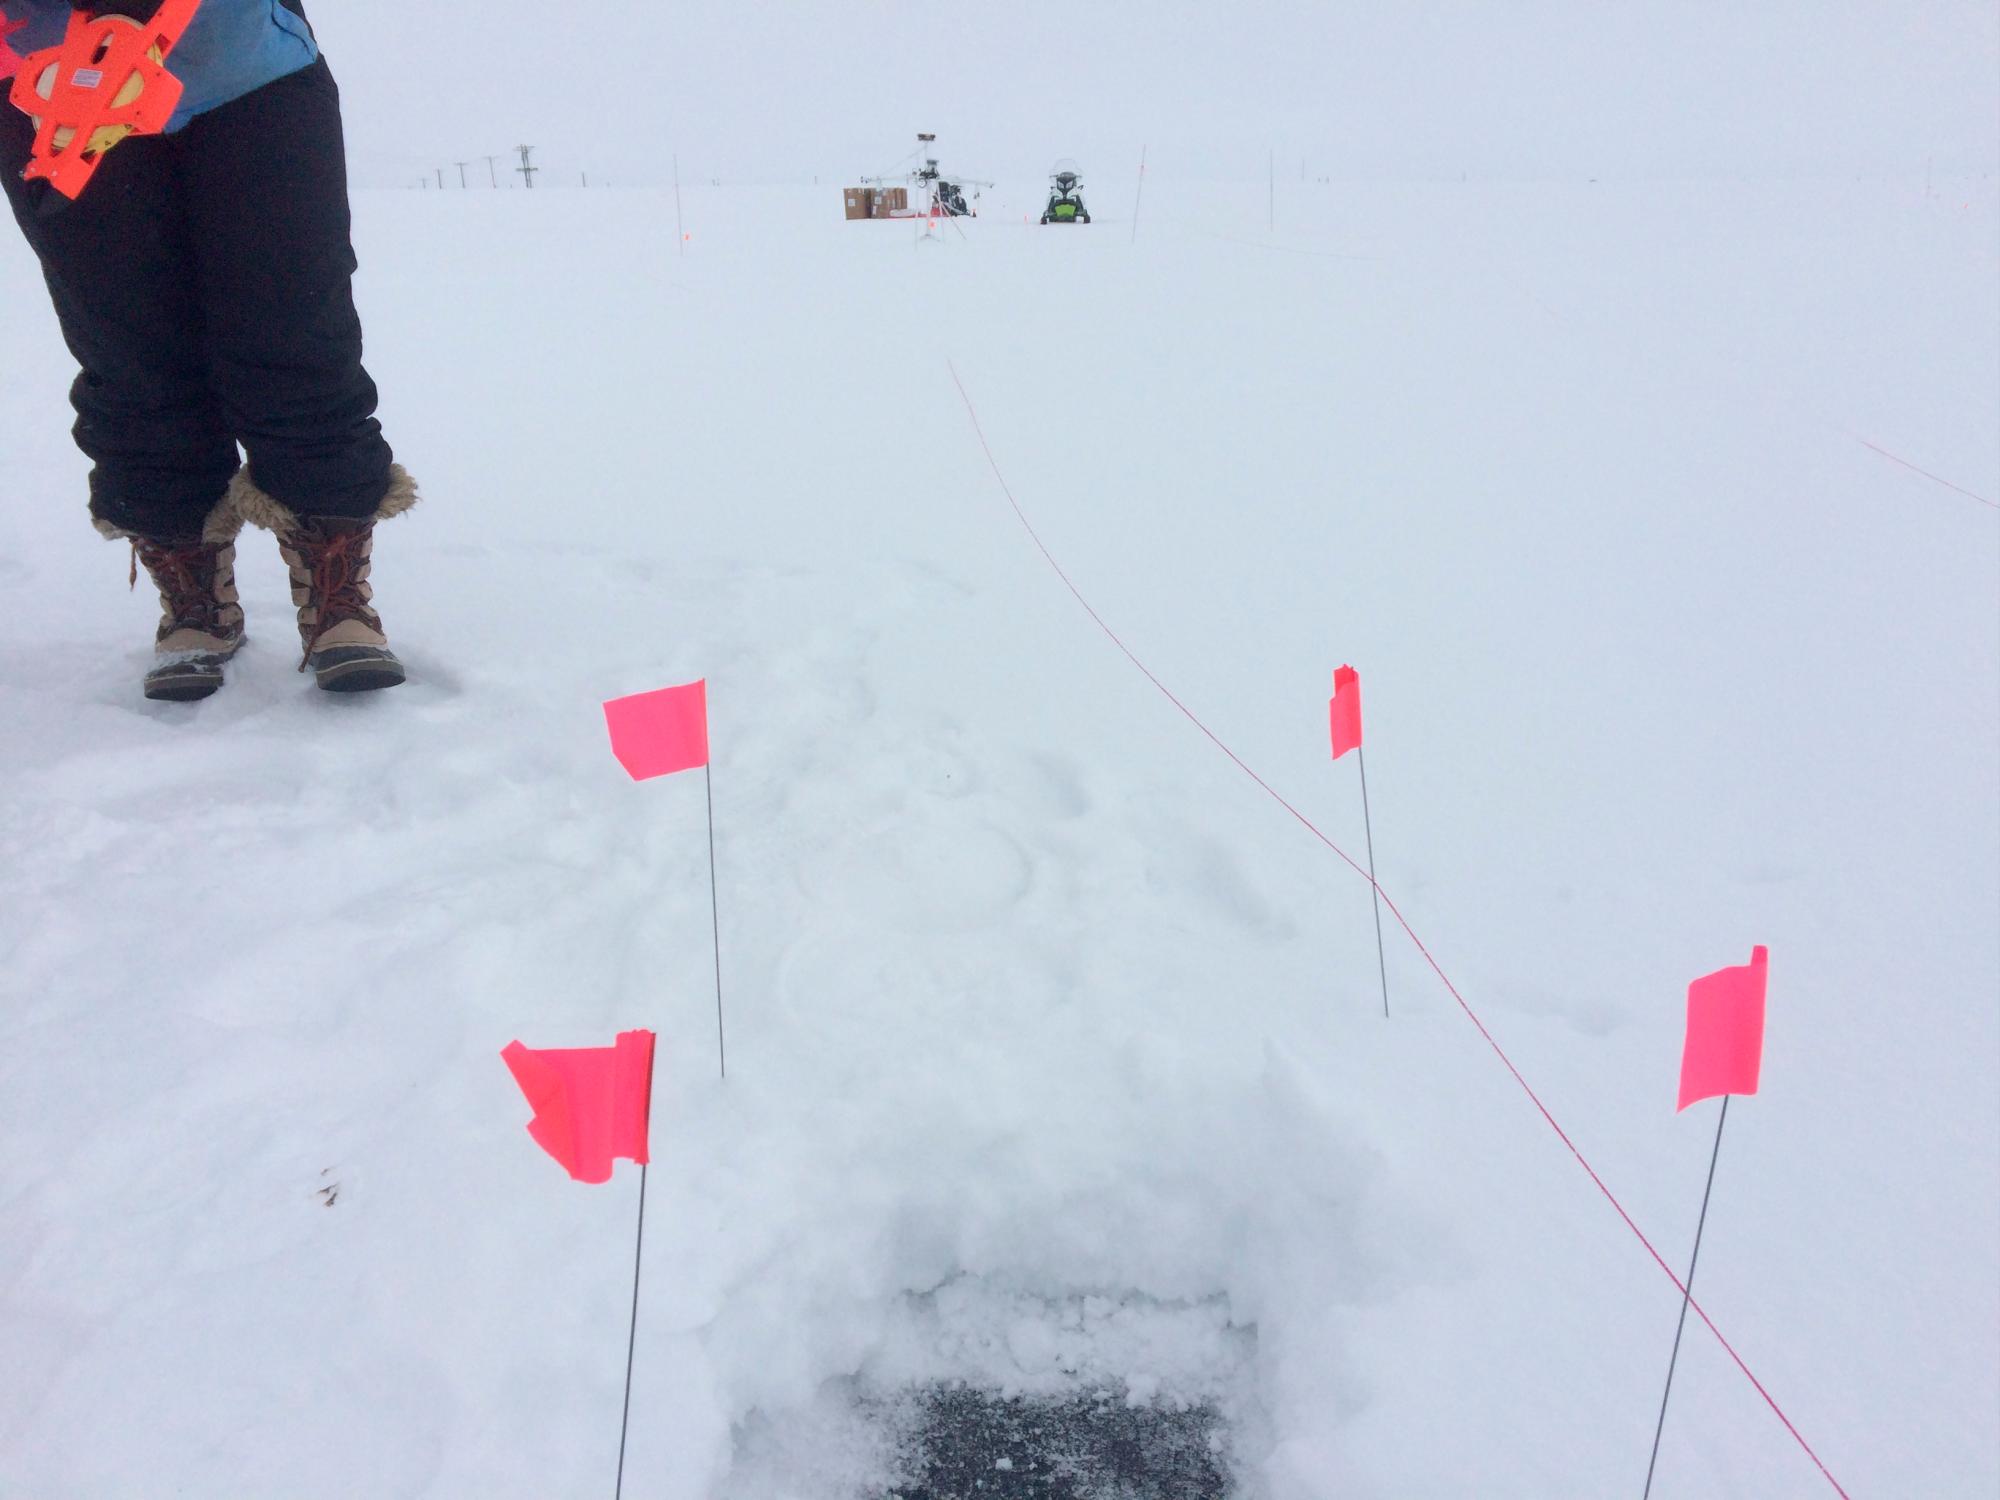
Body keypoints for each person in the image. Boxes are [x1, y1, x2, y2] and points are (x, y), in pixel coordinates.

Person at [0, 0, 414, 698]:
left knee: (295, 327)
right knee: (128, 347)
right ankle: (194, 597)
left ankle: (335, 592)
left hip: (246, 71)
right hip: (57, 93)